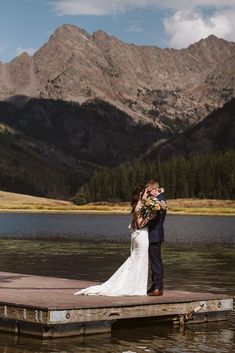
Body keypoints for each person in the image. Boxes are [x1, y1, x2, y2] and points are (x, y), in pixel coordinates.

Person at [74, 185, 153, 296]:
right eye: (145, 193)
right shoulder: (138, 206)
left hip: (139, 236)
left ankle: (136, 285)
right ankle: (135, 286)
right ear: (140, 195)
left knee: (137, 259)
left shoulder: (139, 205)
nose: (147, 195)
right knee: (140, 260)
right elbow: (140, 224)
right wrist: (151, 217)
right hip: (141, 236)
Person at [145, 180, 167, 296]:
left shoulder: (160, 200)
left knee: (156, 262)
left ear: (154, 189)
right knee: (154, 262)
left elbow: (161, 207)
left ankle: (158, 287)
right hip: (154, 234)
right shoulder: (158, 198)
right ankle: (154, 286)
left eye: (149, 191)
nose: (148, 193)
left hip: (155, 234)